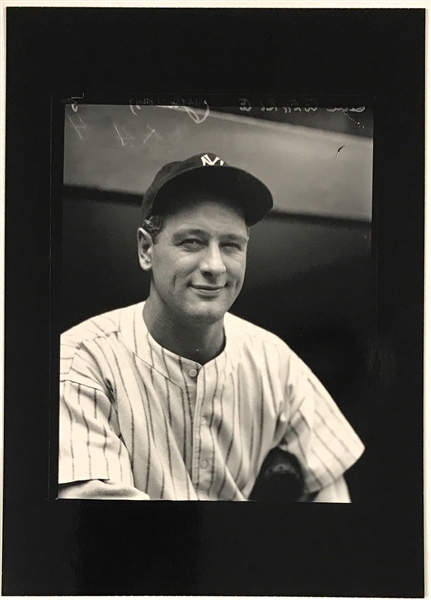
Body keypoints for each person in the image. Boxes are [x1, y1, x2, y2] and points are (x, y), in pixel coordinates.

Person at [58, 152, 364, 501]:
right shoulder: (80, 360)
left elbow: (330, 488)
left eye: (231, 245)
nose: (215, 266)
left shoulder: (273, 359)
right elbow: (102, 527)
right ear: (146, 249)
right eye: (192, 242)